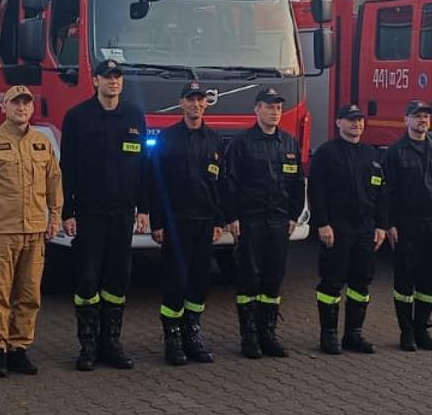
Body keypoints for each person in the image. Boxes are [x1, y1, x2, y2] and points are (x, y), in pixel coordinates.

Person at [58, 59, 149, 371]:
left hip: (123, 213)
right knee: (87, 279)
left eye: (118, 77)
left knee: (118, 279)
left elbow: (144, 167)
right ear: (95, 80)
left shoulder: (135, 117)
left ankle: (111, 342)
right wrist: (67, 212)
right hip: (90, 212)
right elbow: (66, 168)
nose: (113, 82)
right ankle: (88, 345)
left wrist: (145, 208)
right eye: (107, 77)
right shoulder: (77, 118)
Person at [0, 85, 62, 378]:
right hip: (1, 232)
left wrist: (55, 217)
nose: (21, 109)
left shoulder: (42, 144)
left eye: (26, 104)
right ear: (4, 107)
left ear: (32, 109)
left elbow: (54, 183)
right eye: (15, 104)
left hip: (34, 230)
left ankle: (19, 348)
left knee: (29, 293)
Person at [220, 87, 304, 359]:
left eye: (278, 107)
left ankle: (268, 334)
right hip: (251, 221)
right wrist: (232, 217)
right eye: (269, 107)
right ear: (257, 109)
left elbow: (297, 184)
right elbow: (229, 183)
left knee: (273, 279)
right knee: (248, 281)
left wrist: (294, 216)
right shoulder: (242, 144)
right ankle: (249, 337)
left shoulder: (289, 143)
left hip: (279, 222)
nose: (275, 112)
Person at [144, 82, 224, 366]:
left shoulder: (214, 140)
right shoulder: (167, 139)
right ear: (181, 104)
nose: (195, 105)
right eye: (190, 100)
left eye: (200, 100)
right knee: (174, 282)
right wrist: (157, 222)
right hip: (175, 223)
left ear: (206, 104)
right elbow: (155, 183)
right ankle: (173, 339)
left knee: (199, 282)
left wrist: (219, 221)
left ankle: (192, 334)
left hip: (204, 223)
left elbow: (220, 186)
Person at [379, 100, 432, 352]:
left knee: (431, 277)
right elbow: (386, 192)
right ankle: (406, 332)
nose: (422, 120)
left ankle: (422, 328)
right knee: (405, 278)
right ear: (406, 121)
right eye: (417, 116)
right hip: (406, 223)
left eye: (425, 116)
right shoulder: (395, 152)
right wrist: (389, 223)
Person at [308, 103, 385, 355]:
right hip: (336, 228)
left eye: (360, 120)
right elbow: (316, 191)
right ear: (338, 123)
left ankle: (354, 334)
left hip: (364, 229)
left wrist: (381, 225)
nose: (357, 124)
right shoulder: (326, 154)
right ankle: (328, 335)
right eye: (351, 120)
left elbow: (381, 192)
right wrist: (322, 223)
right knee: (332, 282)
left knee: (361, 282)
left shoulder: (371, 154)